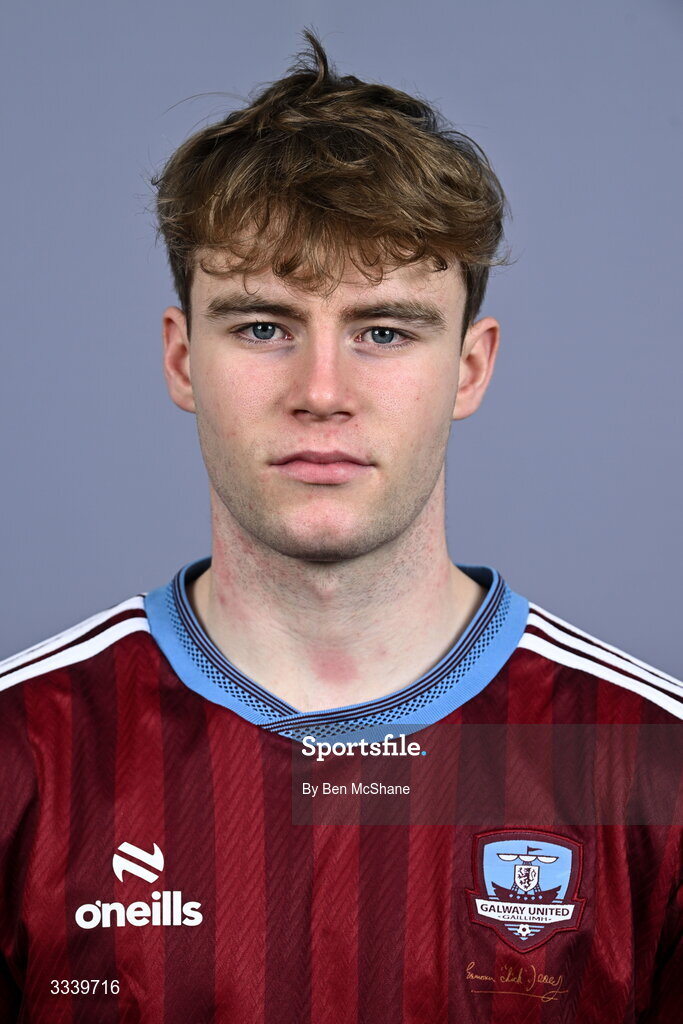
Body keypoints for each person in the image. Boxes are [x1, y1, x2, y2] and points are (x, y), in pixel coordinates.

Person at [0, 29, 680, 1024]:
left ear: (469, 366)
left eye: (384, 330)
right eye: (263, 325)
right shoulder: (25, 754)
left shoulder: (647, 764)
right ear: (183, 359)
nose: (321, 392)